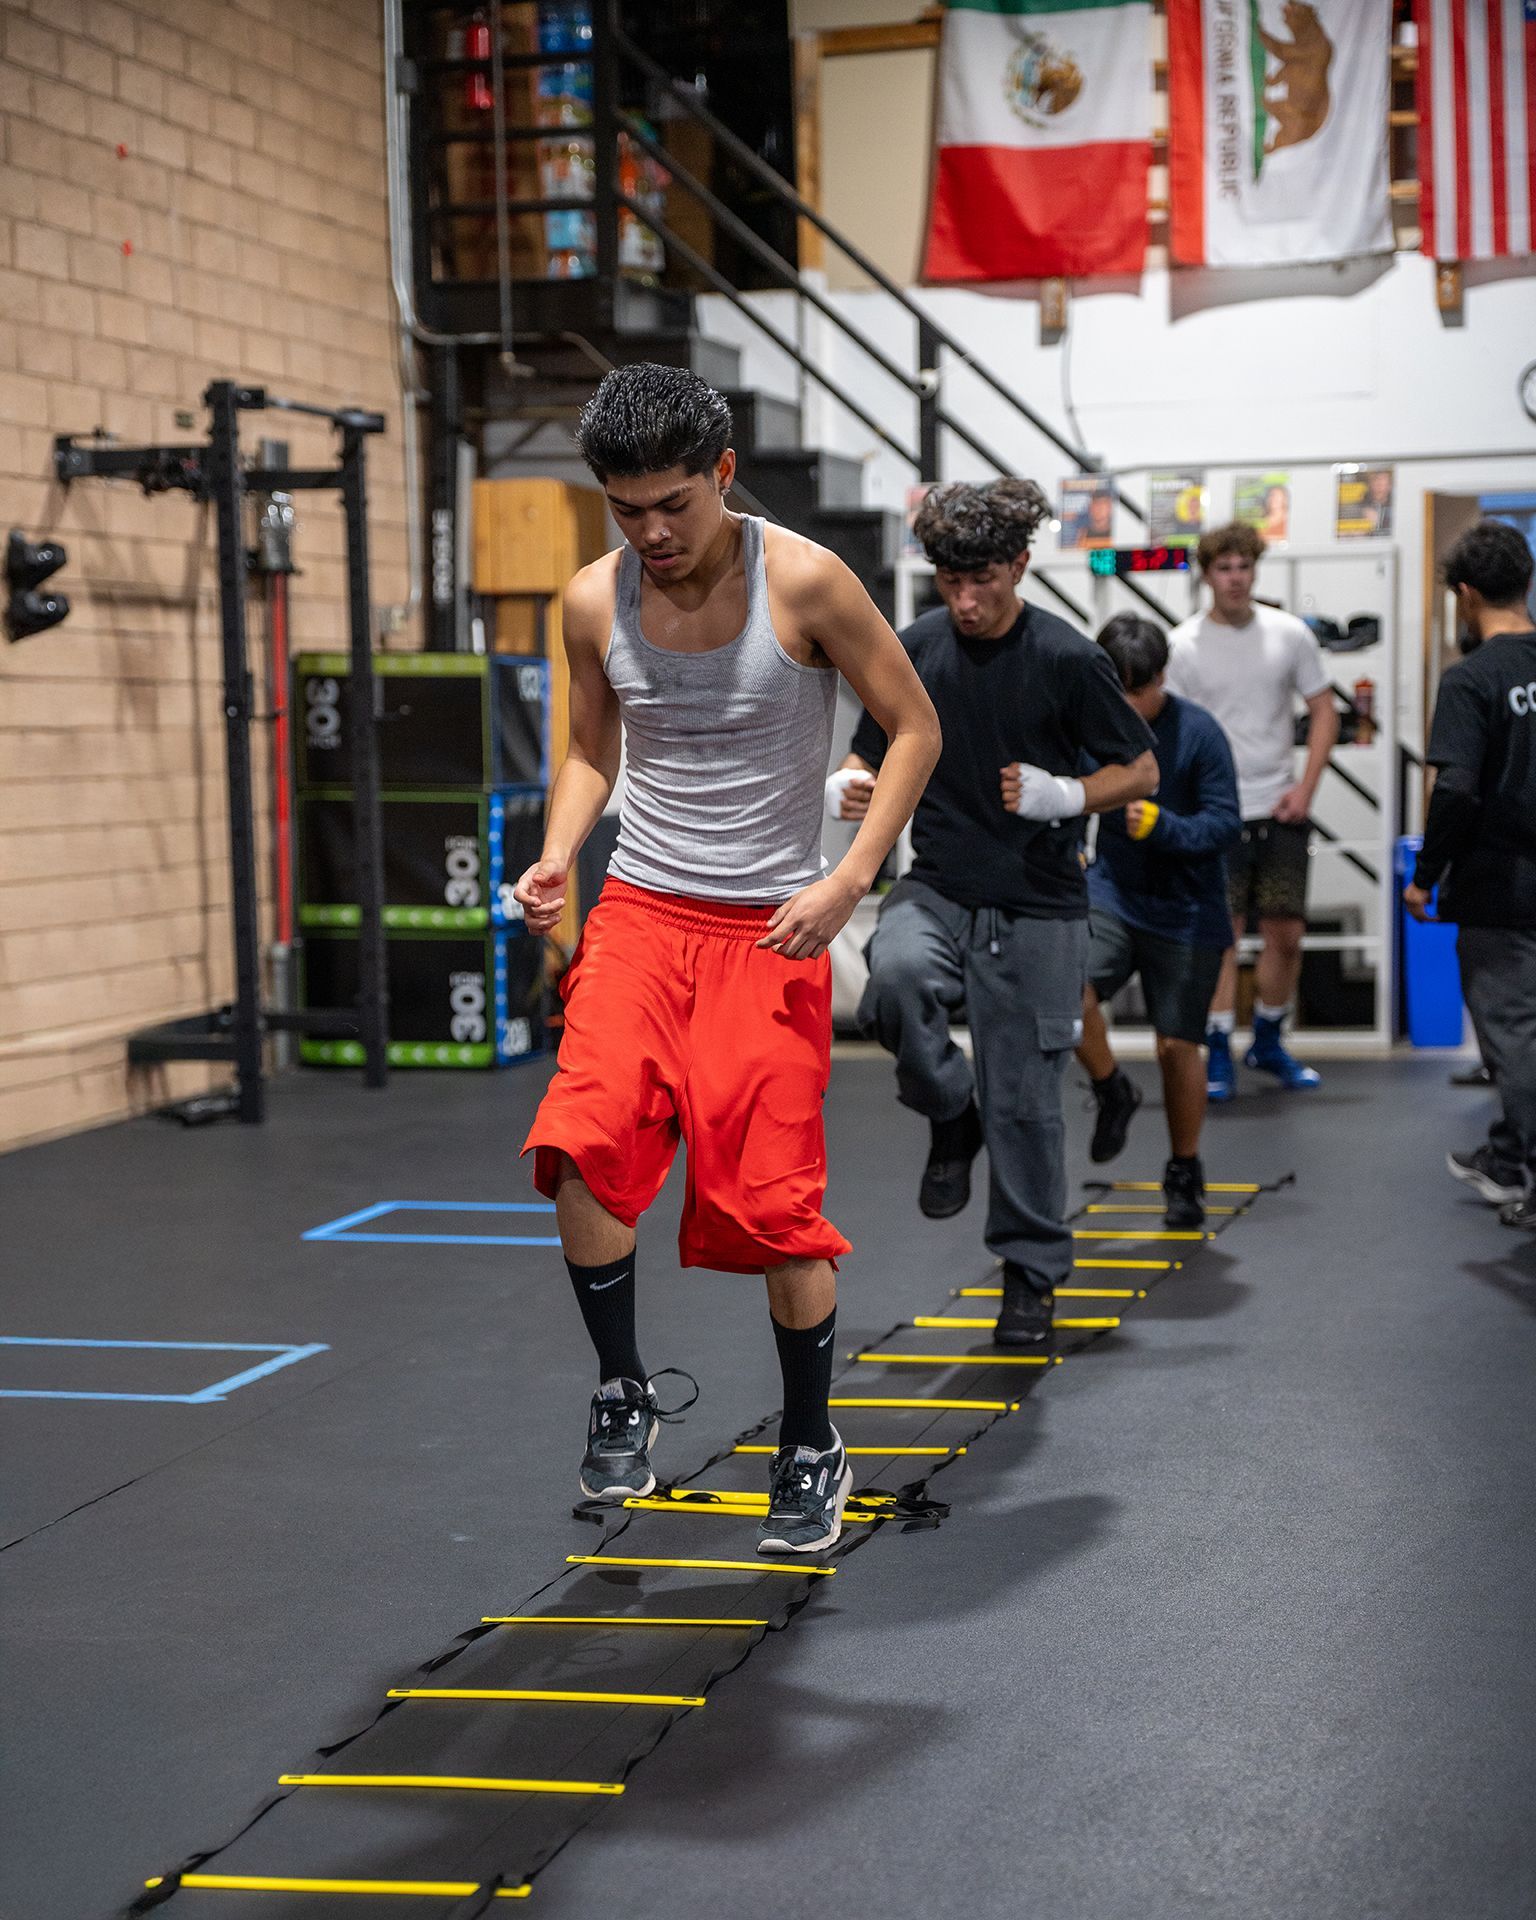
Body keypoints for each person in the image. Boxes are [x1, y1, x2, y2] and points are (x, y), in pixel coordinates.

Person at [514, 364, 941, 1555]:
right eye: (626, 509)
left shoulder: (804, 581)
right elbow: (591, 754)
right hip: (643, 910)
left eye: (673, 506)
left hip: (769, 926)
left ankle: (811, 1439)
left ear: (722, 475)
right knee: (582, 1141)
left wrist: (850, 875)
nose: (651, 532)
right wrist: (559, 855)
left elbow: (915, 727)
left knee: (771, 1208)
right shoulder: (594, 601)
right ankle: (623, 1385)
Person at [831, 481, 1158, 1350]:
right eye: (949, 581)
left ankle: (1029, 1271)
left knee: (1024, 1102)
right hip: (939, 883)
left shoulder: (1066, 657)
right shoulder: (916, 648)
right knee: (893, 980)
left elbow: (1141, 771)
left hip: (1040, 901)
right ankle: (948, 1110)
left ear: (1018, 564)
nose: (965, 601)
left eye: (982, 580)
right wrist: (850, 784)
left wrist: (1069, 793)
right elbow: (871, 749)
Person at [1072, 616, 1241, 1227]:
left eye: (1136, 693)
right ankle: (1112, 1087)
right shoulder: (1096, 726)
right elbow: (1071, 791)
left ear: (1161, 679)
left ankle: (1184, 1166)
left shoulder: (1198, 733)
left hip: (1188, 908)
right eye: (1116, 693)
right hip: (1113, 895)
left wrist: (1164, 827)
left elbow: (1227, 823)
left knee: (1177, 1046)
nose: (1127, 707)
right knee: (1067, 993)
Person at [1166, 521, 1339, 1099]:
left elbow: (1324, 711)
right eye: (1225, 569)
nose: (1236, 579)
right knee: (1223, 935)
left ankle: (1267, 1038)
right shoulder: (1183, 643)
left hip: (1282, 805)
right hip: (1218, 813)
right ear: (1208, 575)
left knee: (1286, 933)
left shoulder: (1290, 634)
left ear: (1255, 571)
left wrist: (1306, 787)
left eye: (1244, 568)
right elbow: (1176, 731)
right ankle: (1216, 1047)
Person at [1405, 519, 1536, 1228]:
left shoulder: (1472, 679)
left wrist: (1426, 874)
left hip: (1502, 888)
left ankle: (1524, 1166)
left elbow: (1454, 790)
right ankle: (1508, 1154)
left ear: (1464, 593)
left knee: (1514, 1039)